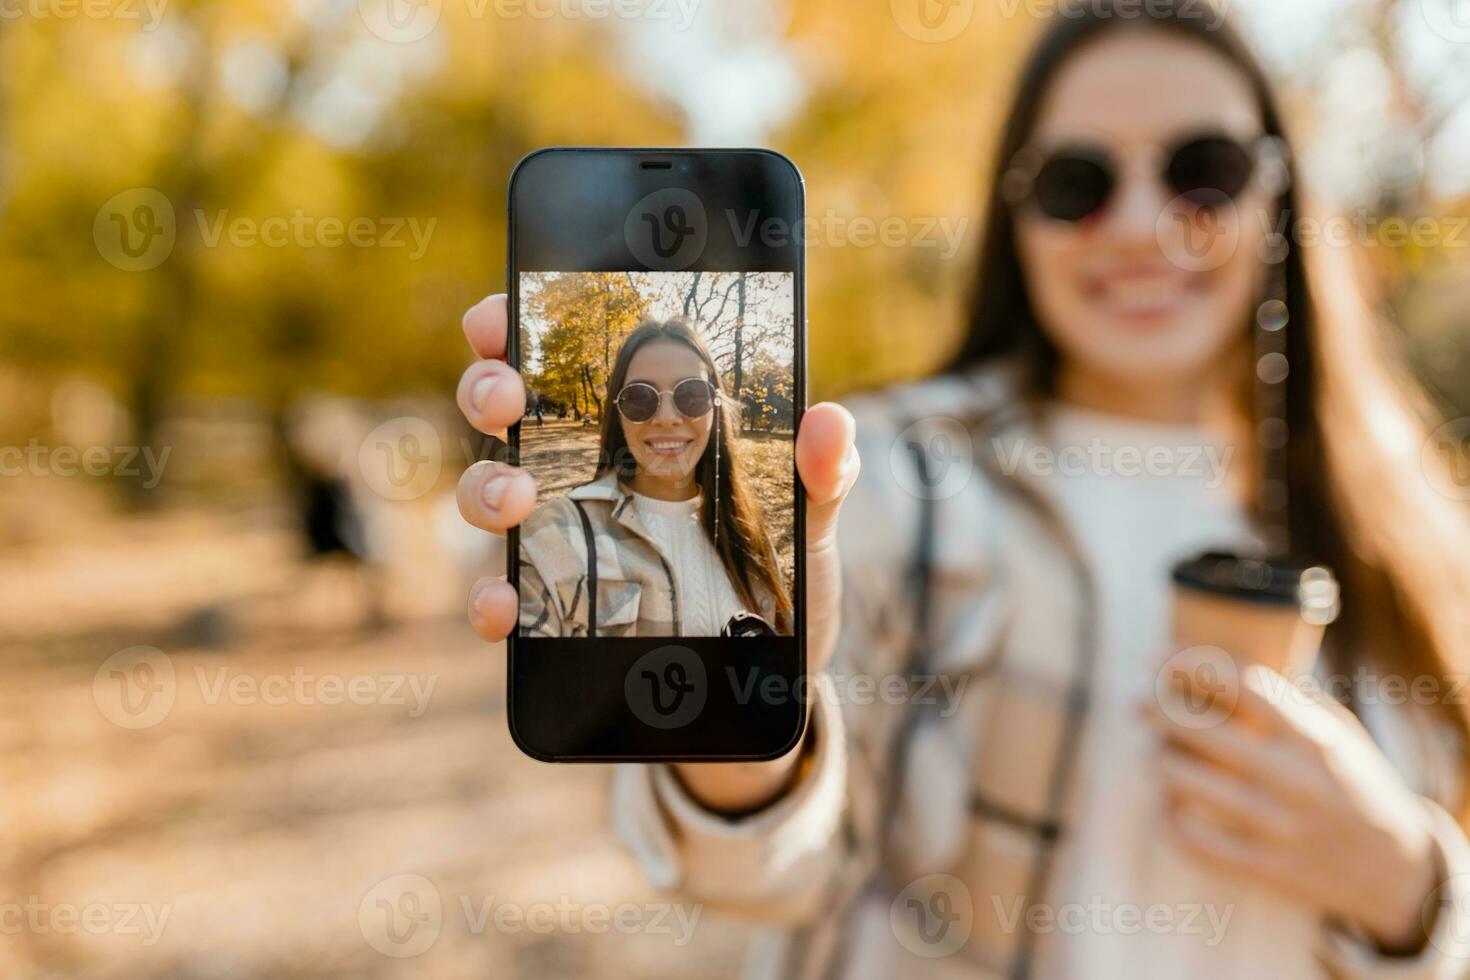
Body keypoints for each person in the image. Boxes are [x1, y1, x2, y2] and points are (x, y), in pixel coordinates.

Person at [454, 1, 1470, 974]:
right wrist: (739, 718)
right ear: (1015, 213)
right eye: (1078, 182)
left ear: (1278, 194)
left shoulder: (1409, 520)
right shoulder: (889, 476)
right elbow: (770, 868)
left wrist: (1410, 882)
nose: (1141, 223)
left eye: (1203, 172)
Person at [513, 319, 792, 638]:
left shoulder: (753, 540)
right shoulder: (555, 535)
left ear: (716, 405)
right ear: (618, 414)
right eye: (640, 399)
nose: (667, 418)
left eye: (691, 394)